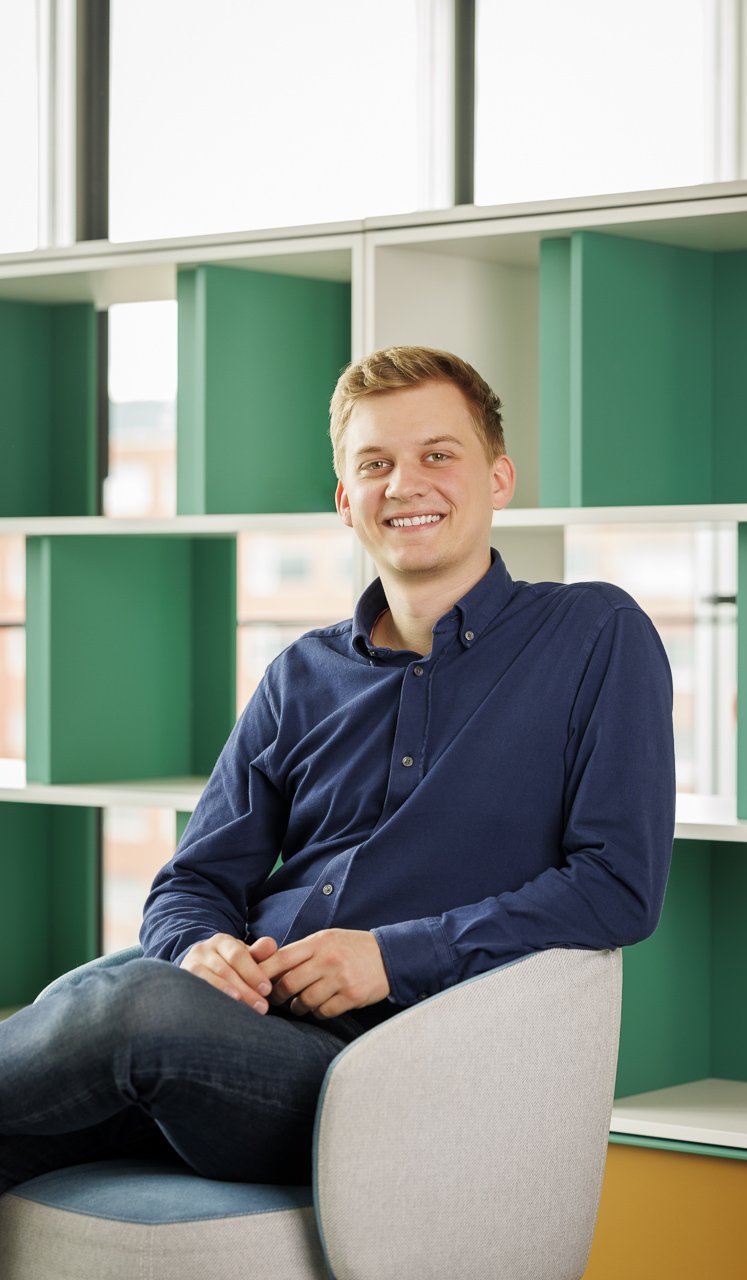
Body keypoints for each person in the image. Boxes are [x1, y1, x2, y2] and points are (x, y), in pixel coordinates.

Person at [0, 346, 675, 1193]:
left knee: (132, 1003)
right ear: (346, 502)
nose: (405, 484)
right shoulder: (300, 674)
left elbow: (618, 885)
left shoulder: (594, 634)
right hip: (230, 1034)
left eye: (438, 454)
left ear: (499, 478)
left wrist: (391, 957)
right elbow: (192, 881)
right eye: (375, 464)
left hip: (381, 1077)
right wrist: (201, 950)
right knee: (83, 1018)